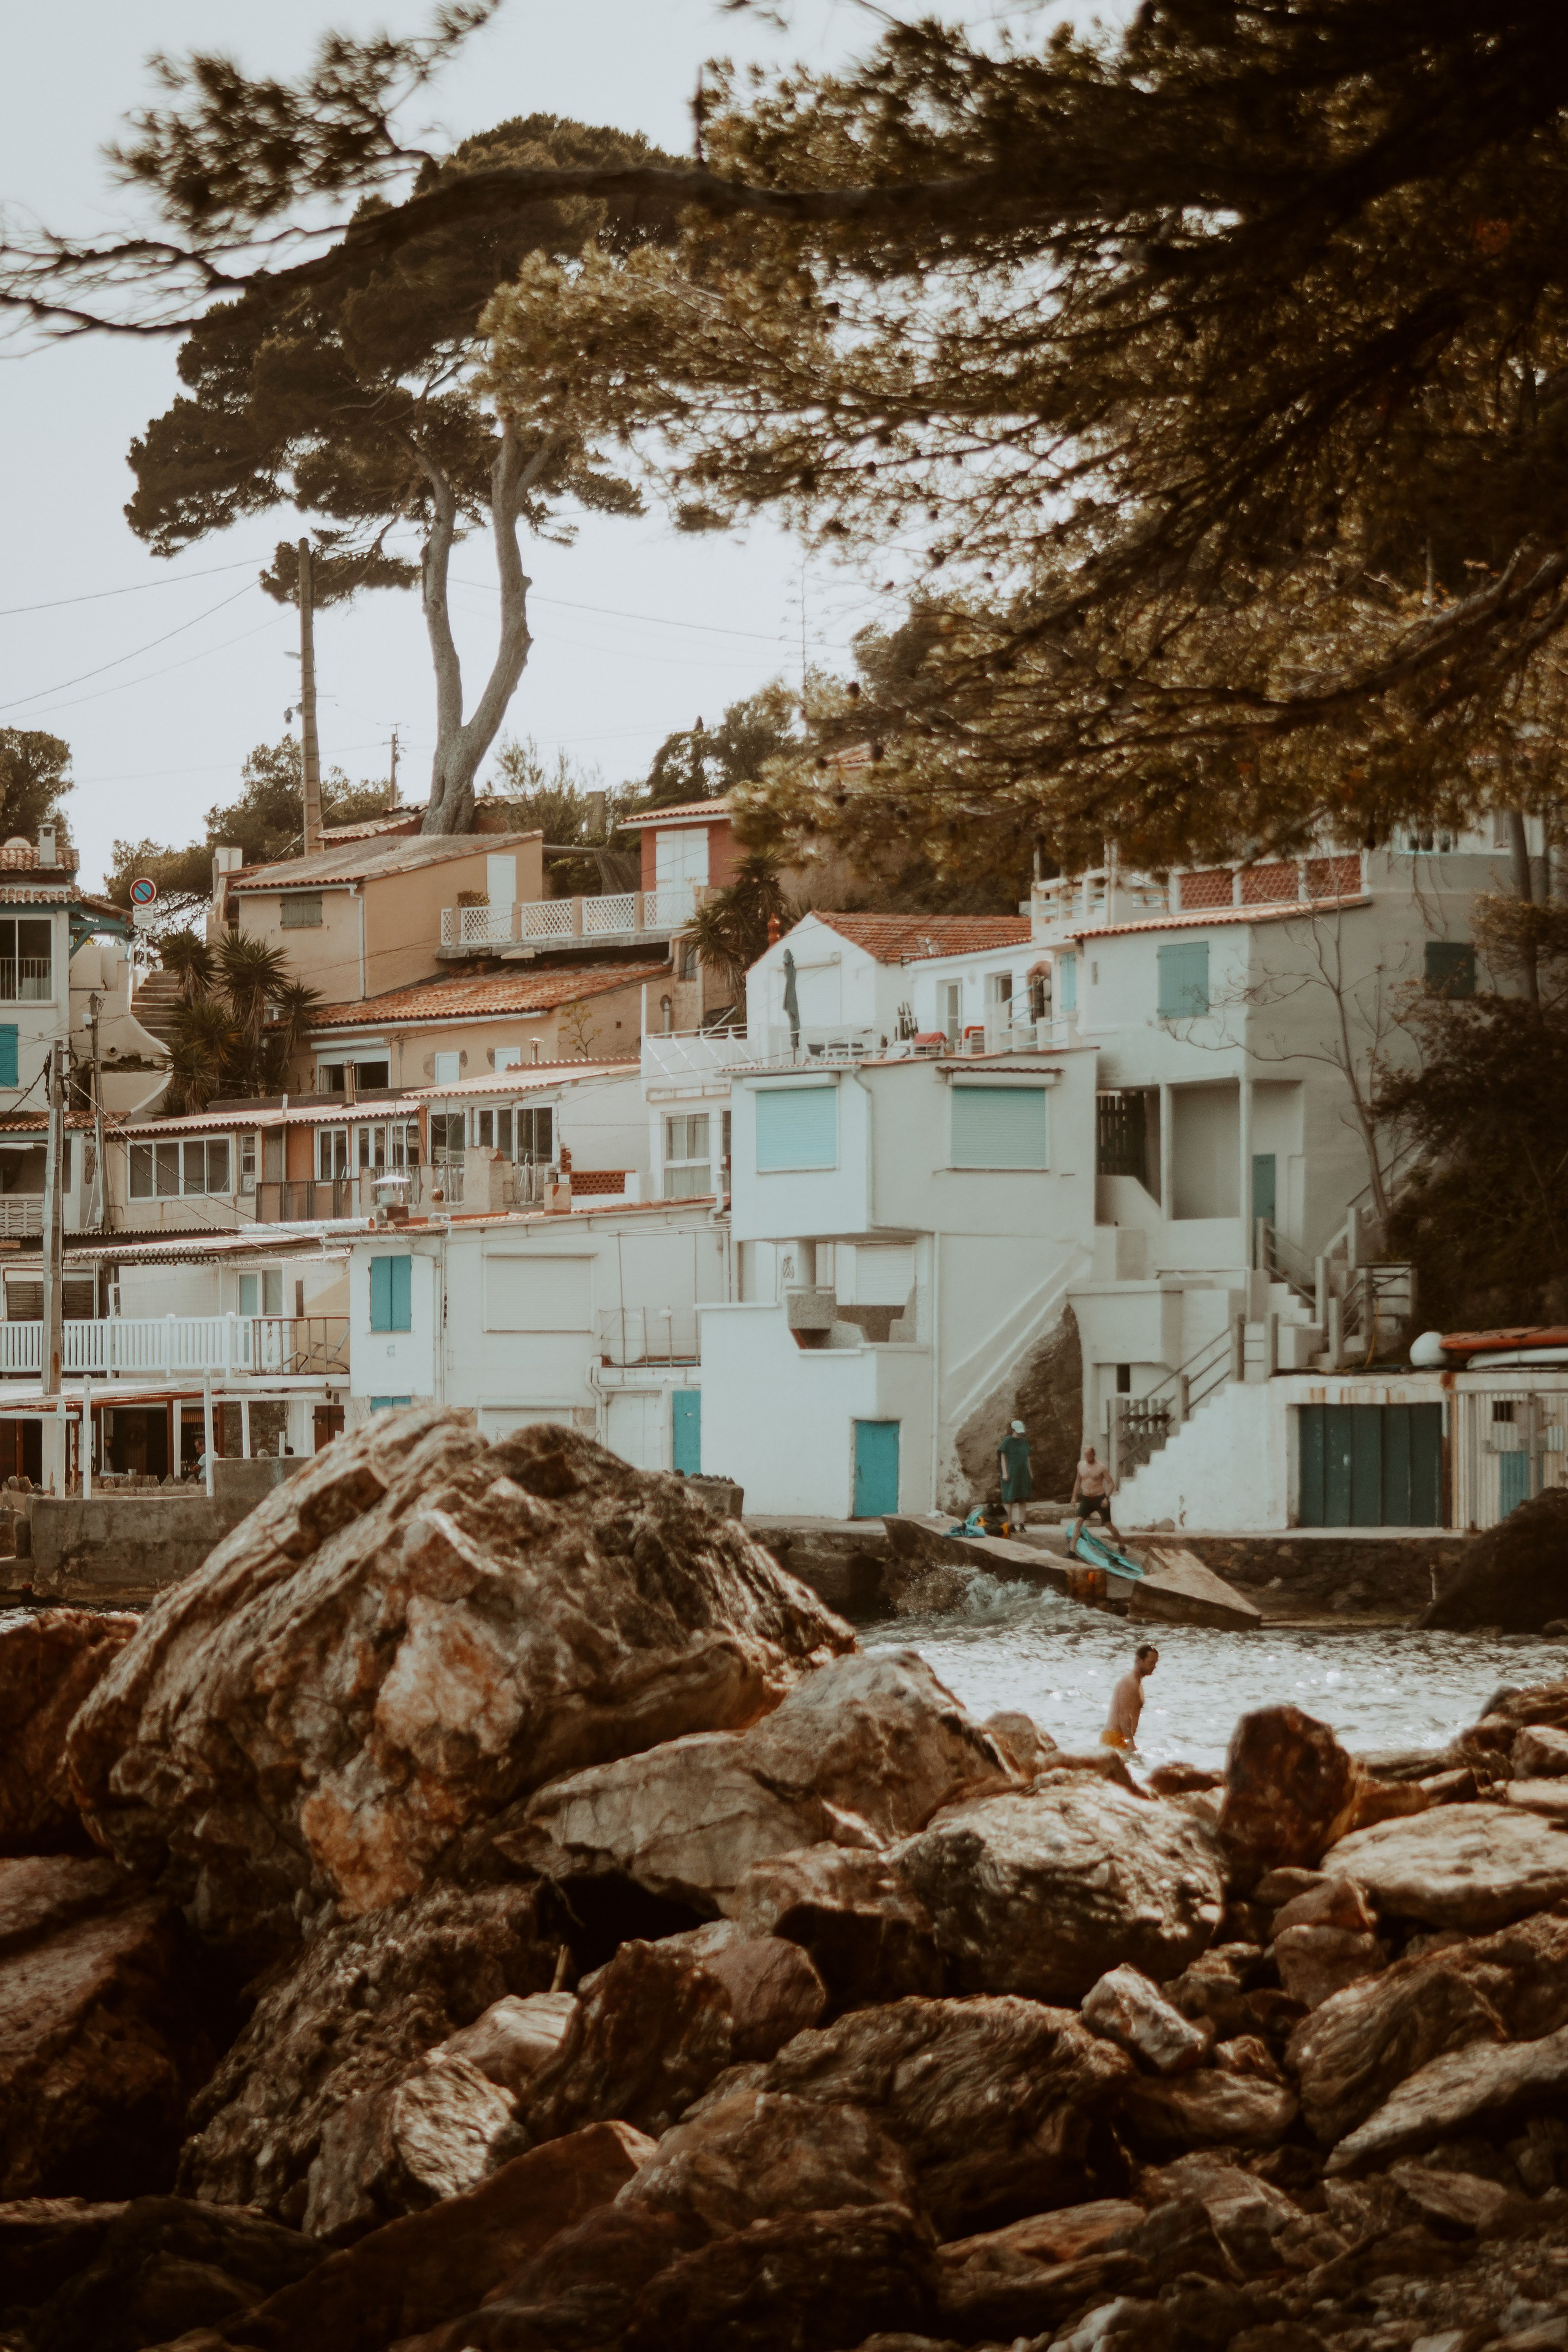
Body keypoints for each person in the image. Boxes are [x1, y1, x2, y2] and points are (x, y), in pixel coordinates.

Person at [1102, 1642, 1159, 1752]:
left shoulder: (1137, 1683)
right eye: (1151, 1663)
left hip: (1121, 1738)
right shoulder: (1130, 1682)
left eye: (1155, 1663)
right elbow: (1124, 1716)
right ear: (1139, 1660)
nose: (1154, 1667)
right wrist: (1131, 1745)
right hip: (1115, 1739)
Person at [1068, 1442, 1120, 1551]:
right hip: (1086, 1498)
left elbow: (1111, 1483)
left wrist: (1107, 1497)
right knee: (1078, 1522)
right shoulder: (1081, 1465)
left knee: (1108, 1524)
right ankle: (1072, 1550)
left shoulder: (1101, 1467)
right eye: (1085, 1456)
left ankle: (1121, 1544)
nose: (1087, 1458)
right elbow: (1078, 1481)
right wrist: (1074, 1497)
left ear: (1094, 1455)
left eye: (1089, 1456)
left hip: (1100, 1498)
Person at [997, 1419, 1032, 1534]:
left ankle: (1022, 1523)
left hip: (1023, 1473)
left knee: (1022, 1498)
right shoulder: (1007, 1441)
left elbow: (1027, 1457)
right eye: (1017, 1432)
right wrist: (1005, 1472)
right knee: (1009, 1499)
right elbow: (1003, 1457)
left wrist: (1030, 1471)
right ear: (1013, 1430)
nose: (1020, 1434)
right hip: (1011, 1473)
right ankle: (1010, 1523)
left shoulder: (1024, 1441)